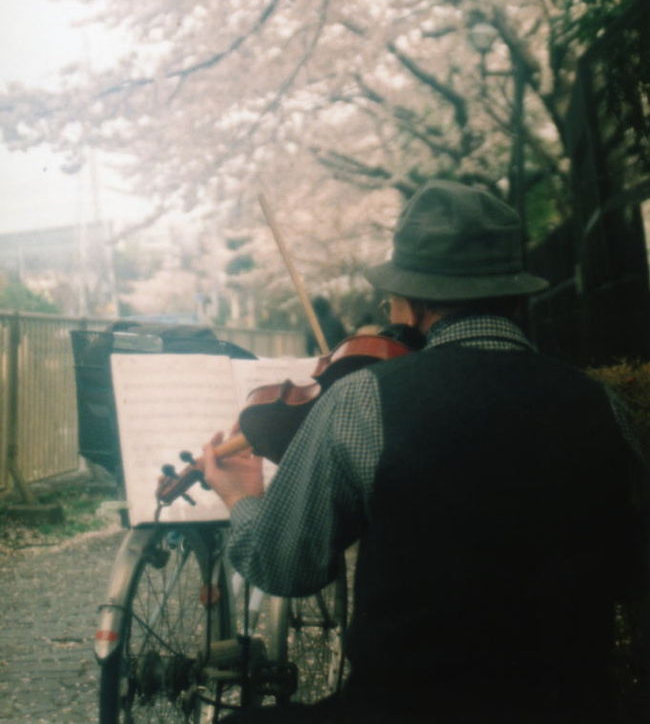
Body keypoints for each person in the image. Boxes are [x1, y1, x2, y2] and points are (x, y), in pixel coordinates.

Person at [203, 179, 648, 724]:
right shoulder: (602, 405)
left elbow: (282, 568)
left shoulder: (364, 400)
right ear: (514, 296)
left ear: (411, 307)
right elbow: (631, 573)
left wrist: (242, 498)